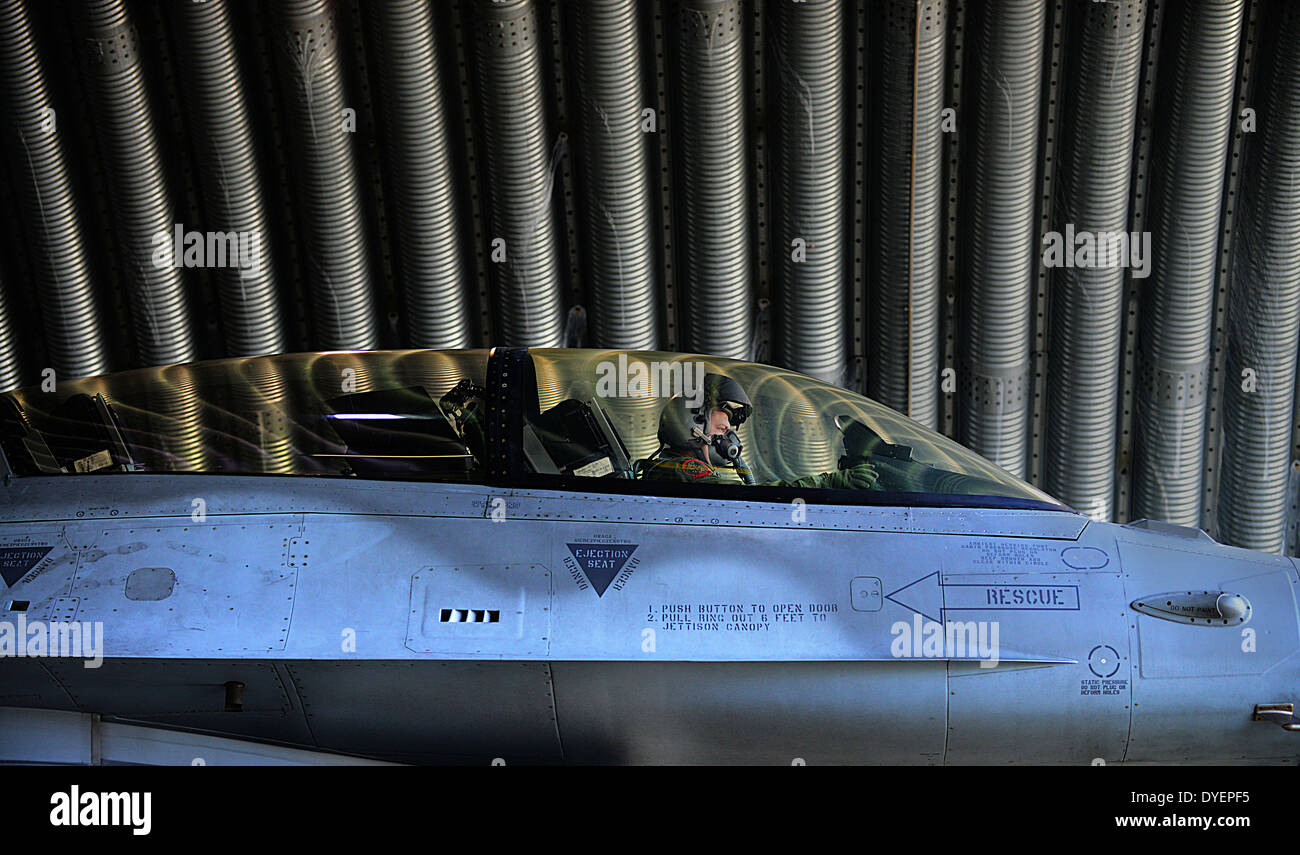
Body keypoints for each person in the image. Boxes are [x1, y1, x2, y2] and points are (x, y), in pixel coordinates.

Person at [640, 373, 879, 490]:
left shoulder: (675, 470)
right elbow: (750, 501)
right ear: (691, 426)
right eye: (722, 429)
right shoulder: (680, 471)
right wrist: (828, 482)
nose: (729, 438)